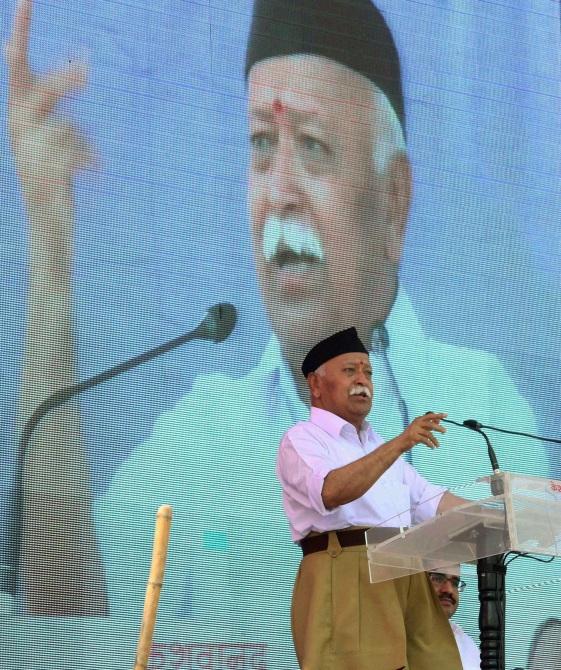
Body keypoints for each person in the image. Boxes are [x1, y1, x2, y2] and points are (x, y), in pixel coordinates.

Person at [4, 0, 548, 660]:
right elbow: (69, 625)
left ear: (393, 201)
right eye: (263, 145)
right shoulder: (206, 424)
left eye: (313, 148)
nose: (279, 190)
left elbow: (532, 641)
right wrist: (52, 248)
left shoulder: (478, 410)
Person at [277, 326, 464, 669]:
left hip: (404, 569)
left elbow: (434, 503)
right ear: (315, 385)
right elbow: (331, 491)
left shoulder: (379, 448)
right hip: (348, 569)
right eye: (350, 370)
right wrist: (400, 443)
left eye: (368, 372)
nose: (363, 380)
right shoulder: (303, 438)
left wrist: (512, 507)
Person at [428, 570, 481, 670]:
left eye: (455, 583)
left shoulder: (467, 645)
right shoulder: (399, 634)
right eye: (437, 579)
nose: (449, 590)